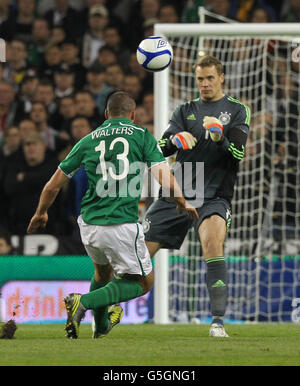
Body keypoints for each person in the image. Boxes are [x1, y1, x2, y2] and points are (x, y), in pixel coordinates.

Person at [27, 91, 198, 339]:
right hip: (121, 223)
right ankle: (82, 301)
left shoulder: (88, 139)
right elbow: (164, 178)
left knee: (102, 274)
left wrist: (40, 212)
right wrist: (182, 202)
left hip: (88, 224)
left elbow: (53, 185)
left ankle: (101, 326)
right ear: (133, 114)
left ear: (106, 114)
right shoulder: (142, 136)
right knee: (143, 283)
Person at [144, 55, 251, 337]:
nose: (204, 84)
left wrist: (220, 137)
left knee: (212, 243)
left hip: (215, 196)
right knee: (139, 259)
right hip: (177, 195)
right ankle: (103, 311)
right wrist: (174, 141)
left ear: (222, 77)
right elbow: (158, 149)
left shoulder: (237, 111)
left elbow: (238, 153)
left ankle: (217, 322)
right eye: (200, 79)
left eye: (210, 78)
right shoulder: (184, 110)